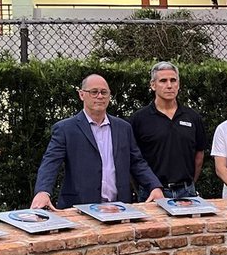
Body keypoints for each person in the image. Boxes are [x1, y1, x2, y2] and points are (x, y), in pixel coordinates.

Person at [32, 74, 163, 209]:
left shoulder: (124, 128)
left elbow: (137, 162)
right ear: (82, 95)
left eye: (104, 92)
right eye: (94, 92)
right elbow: (50, 163)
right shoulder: (65, 129)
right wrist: (43, 192)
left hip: (119, 208)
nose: (100, 96)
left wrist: (154, 186)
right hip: (79, 208)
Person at [131, 62, 206, 200]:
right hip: (152, 193)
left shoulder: (193, 117)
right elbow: (133, 158)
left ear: (179, 84)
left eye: (173, 80)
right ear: (153, 85)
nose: (169, 85)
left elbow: (199, 154)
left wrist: (190, 184)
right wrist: (146, 187)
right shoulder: (139, 119)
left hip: (187, 192)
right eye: (163, 81)